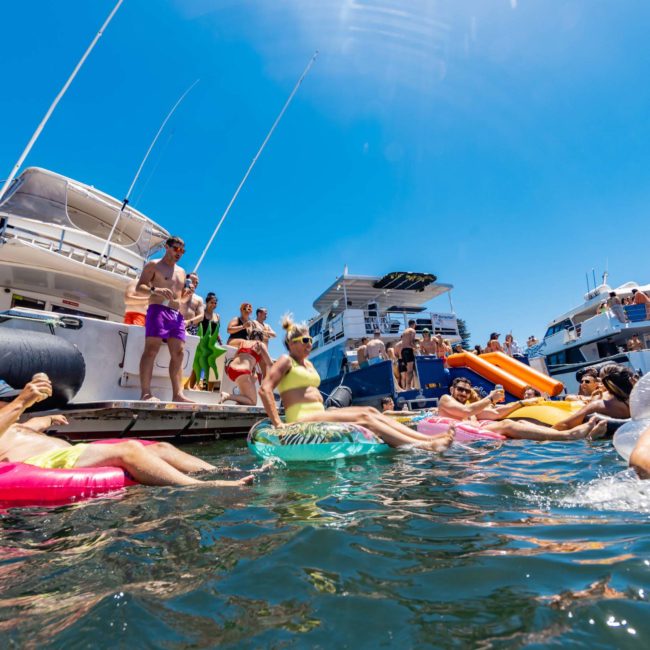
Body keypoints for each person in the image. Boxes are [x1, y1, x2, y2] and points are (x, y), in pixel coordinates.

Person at [0, 374, 252, 487]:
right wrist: (21, 401)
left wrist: (48, 419)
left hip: (69, 452)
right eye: (5, 400)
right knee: (129, 450)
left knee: (161, 447)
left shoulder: (16, 423)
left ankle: (221, 471)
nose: (9, 402)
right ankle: (201, 485)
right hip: (41, 463)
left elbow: (26, 427)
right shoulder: (9, 415)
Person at [258, 316, 454, 451]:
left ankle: (427, 439)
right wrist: (278, 425)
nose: (310, 344)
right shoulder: (286, 360)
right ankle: (424, 446)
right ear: (292, 343)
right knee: (363, 416)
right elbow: (265, 389)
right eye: (306, 339)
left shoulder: (307, 363)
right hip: (301, 418)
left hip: (321, 413)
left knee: (371, 412)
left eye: (311, 340)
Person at [437, 377, 606, 441]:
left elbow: (496, 413)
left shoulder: (470, 406)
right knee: (508, 425)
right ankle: (569, 436)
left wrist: (522, 403)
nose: (463, 393)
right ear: (452, 390)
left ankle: (573, 435)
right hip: (464, 432)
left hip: (478, 430)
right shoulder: (446, 400)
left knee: (523, 421)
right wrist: (489, 398)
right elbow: (465, 413)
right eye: (460, 389)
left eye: (467, 391)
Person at [136, 236, 192, 403]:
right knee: (151, 349)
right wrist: (156, 289)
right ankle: (145, 393)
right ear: (166, 247)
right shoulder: (153, 265)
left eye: (182, 250)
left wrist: (185, 296)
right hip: (157, 309)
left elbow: (180, 297)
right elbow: (140, 287)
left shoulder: (182, 272)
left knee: (179, 353)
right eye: (176, 249)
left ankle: (178, 394)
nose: (179, 253)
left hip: (176, 314)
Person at [552, 364, 633, 430]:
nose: (583, 383)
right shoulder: (636, 400)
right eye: (582, 382)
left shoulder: (598, 405)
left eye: (587, 382)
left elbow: (563, 425)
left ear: (603, 383)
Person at [222, 340, 272, 406]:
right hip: (242, 372)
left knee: (245, 398)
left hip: (231, 369)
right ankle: (228, 396)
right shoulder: (260, 344)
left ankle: (238, 404)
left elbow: (233, 350)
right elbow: (270, 363)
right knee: (252, 402)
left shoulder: (243, 342)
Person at [400, 320, 417, 388]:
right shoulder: (412, 330)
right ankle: (408, 387)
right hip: (408, 351)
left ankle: (408, 387)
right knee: (410, 371)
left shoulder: (405, 331)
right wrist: (417, 348)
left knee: (408, 371)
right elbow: (411, 342)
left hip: (403, 351)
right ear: (414, 324)